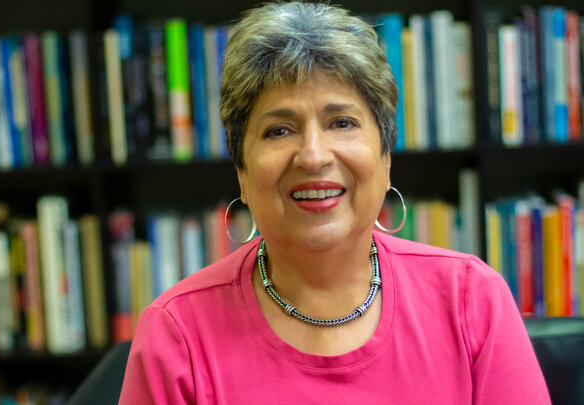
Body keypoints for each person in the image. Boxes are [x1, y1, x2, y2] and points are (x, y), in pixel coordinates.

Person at [119, 2, 550, 403]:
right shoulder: (177, 335)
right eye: (278, 130)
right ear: (242, 174)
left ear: (385, 159)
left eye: (341, 122)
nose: (313, 155)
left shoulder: (472, 301)